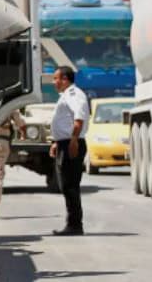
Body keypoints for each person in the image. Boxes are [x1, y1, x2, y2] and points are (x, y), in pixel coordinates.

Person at [49, 66, 90, 236]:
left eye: (56, 78)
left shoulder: (74, 94)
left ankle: (74, 225)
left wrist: (73, 140)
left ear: (65, 79)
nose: (54, 82)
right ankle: (73, 223)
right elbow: (65, 122)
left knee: (70, 185)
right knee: (66, 185)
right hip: (64, 143)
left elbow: (78, 118)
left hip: (72, 143)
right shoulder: (66, 95)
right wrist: (56, 142)